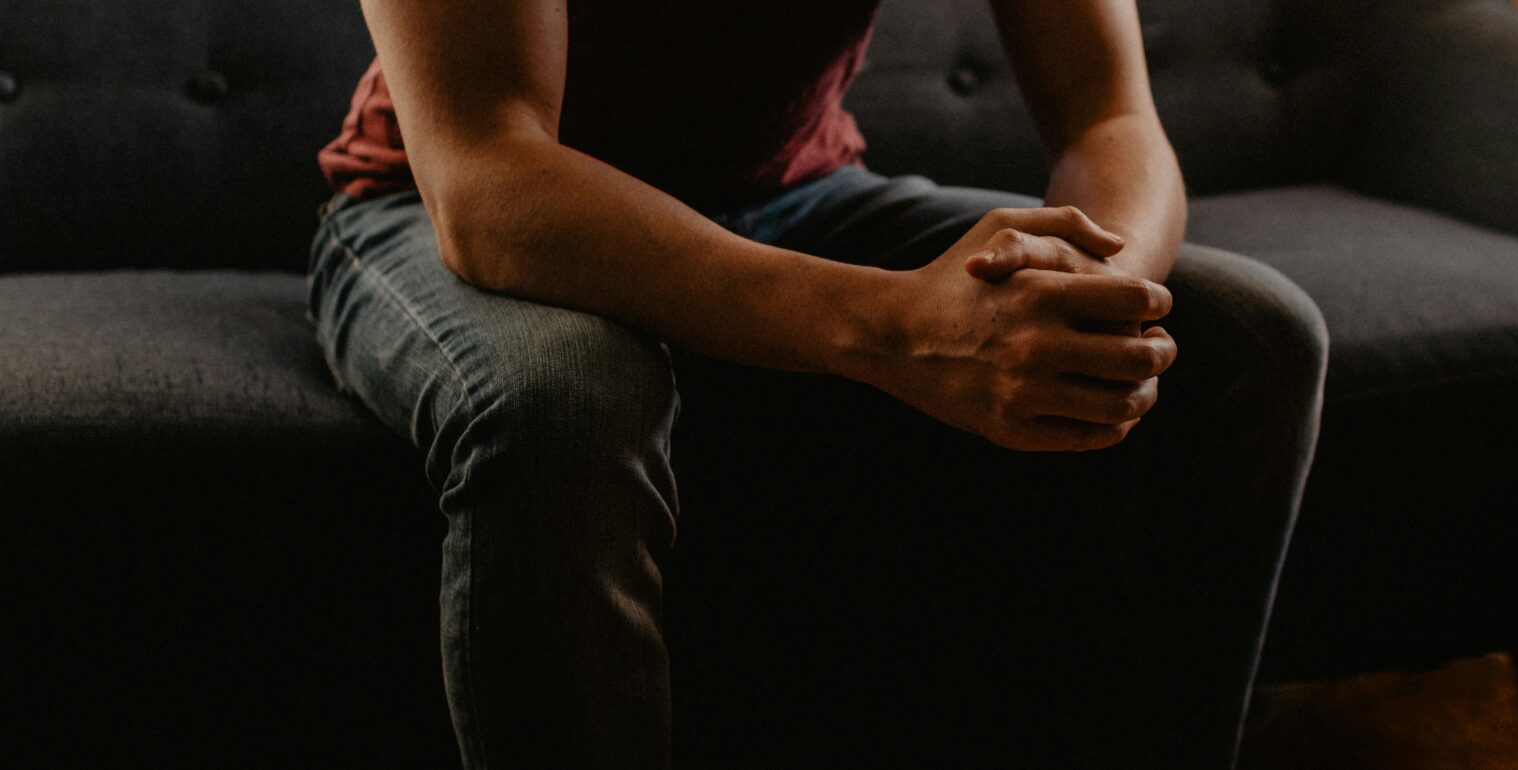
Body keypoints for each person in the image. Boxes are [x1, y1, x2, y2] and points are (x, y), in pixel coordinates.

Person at [309, 1, 1327, 767]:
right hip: (442, 207)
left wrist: (1085, 305)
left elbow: (1112, 119)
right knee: (567, 399)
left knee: (1250, 337)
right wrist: (895, 329)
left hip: (791, 196)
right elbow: (486, 177)